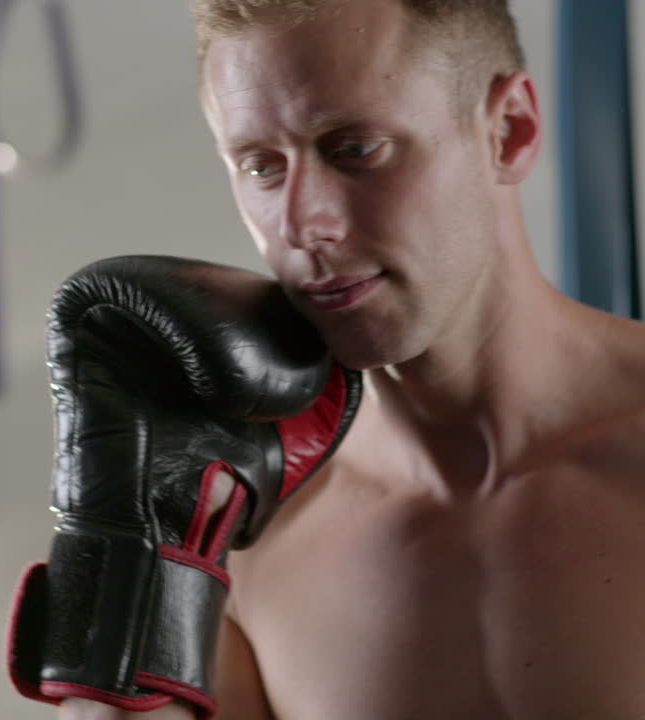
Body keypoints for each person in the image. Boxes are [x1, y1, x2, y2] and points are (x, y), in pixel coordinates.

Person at [37, 0, 645, 717]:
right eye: (262, 167)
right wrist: (125, 548)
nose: (302, 224)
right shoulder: (248, 544)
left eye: (353, 148)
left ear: (507, 132)